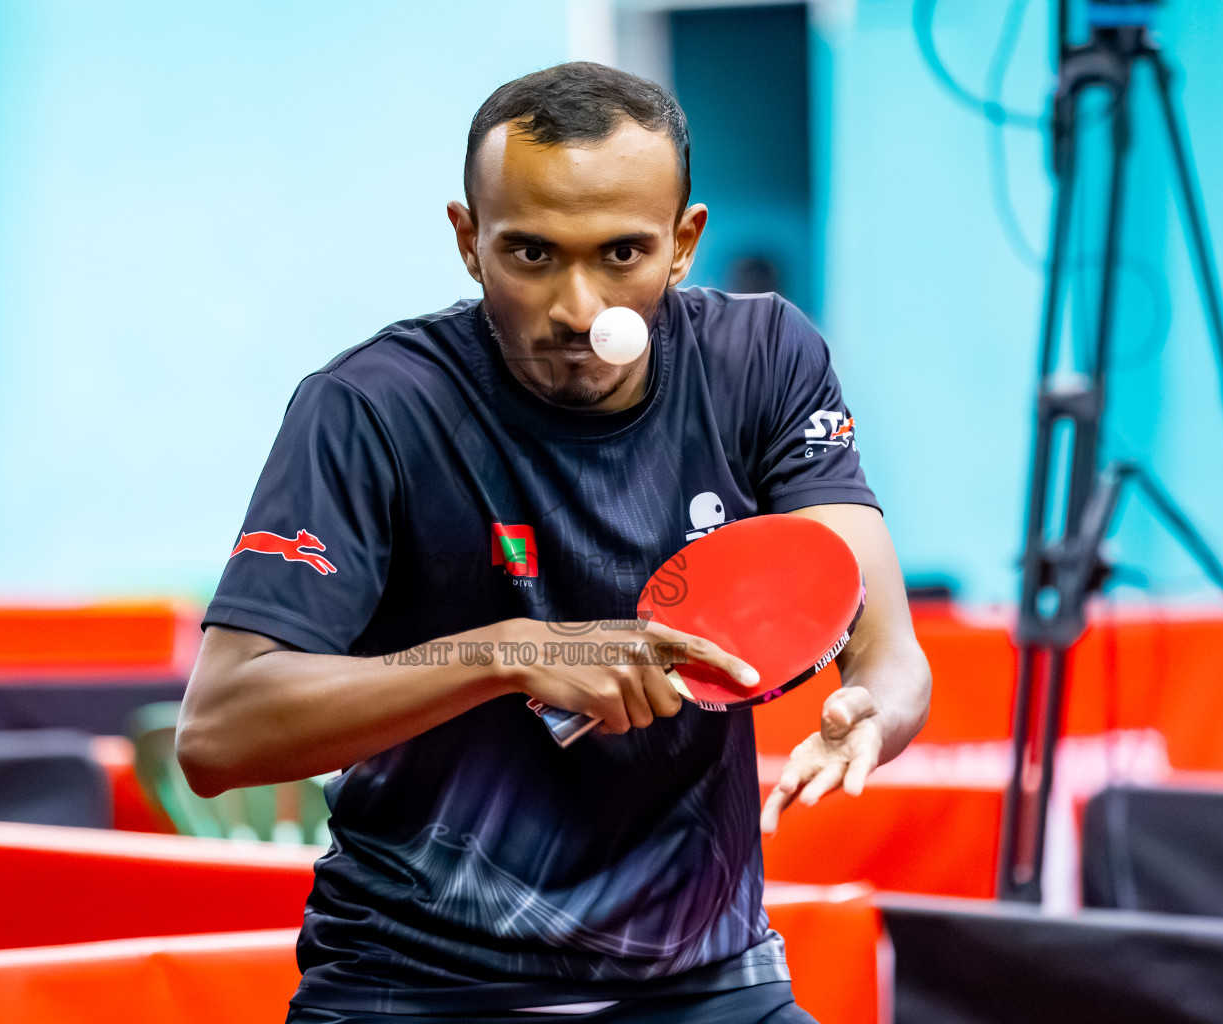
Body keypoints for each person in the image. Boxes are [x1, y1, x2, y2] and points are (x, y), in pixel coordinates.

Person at [178, 62, 931, 1023]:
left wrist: (873, 712)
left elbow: (880, 638)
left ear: (683, 243)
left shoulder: (764, 361)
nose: (580, 309)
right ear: (467, 241)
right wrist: (512, 654)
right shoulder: (372, 407)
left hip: (705, 980)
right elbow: (218, 732)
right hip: (417, 985)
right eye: (532, 255)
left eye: (621, 253)